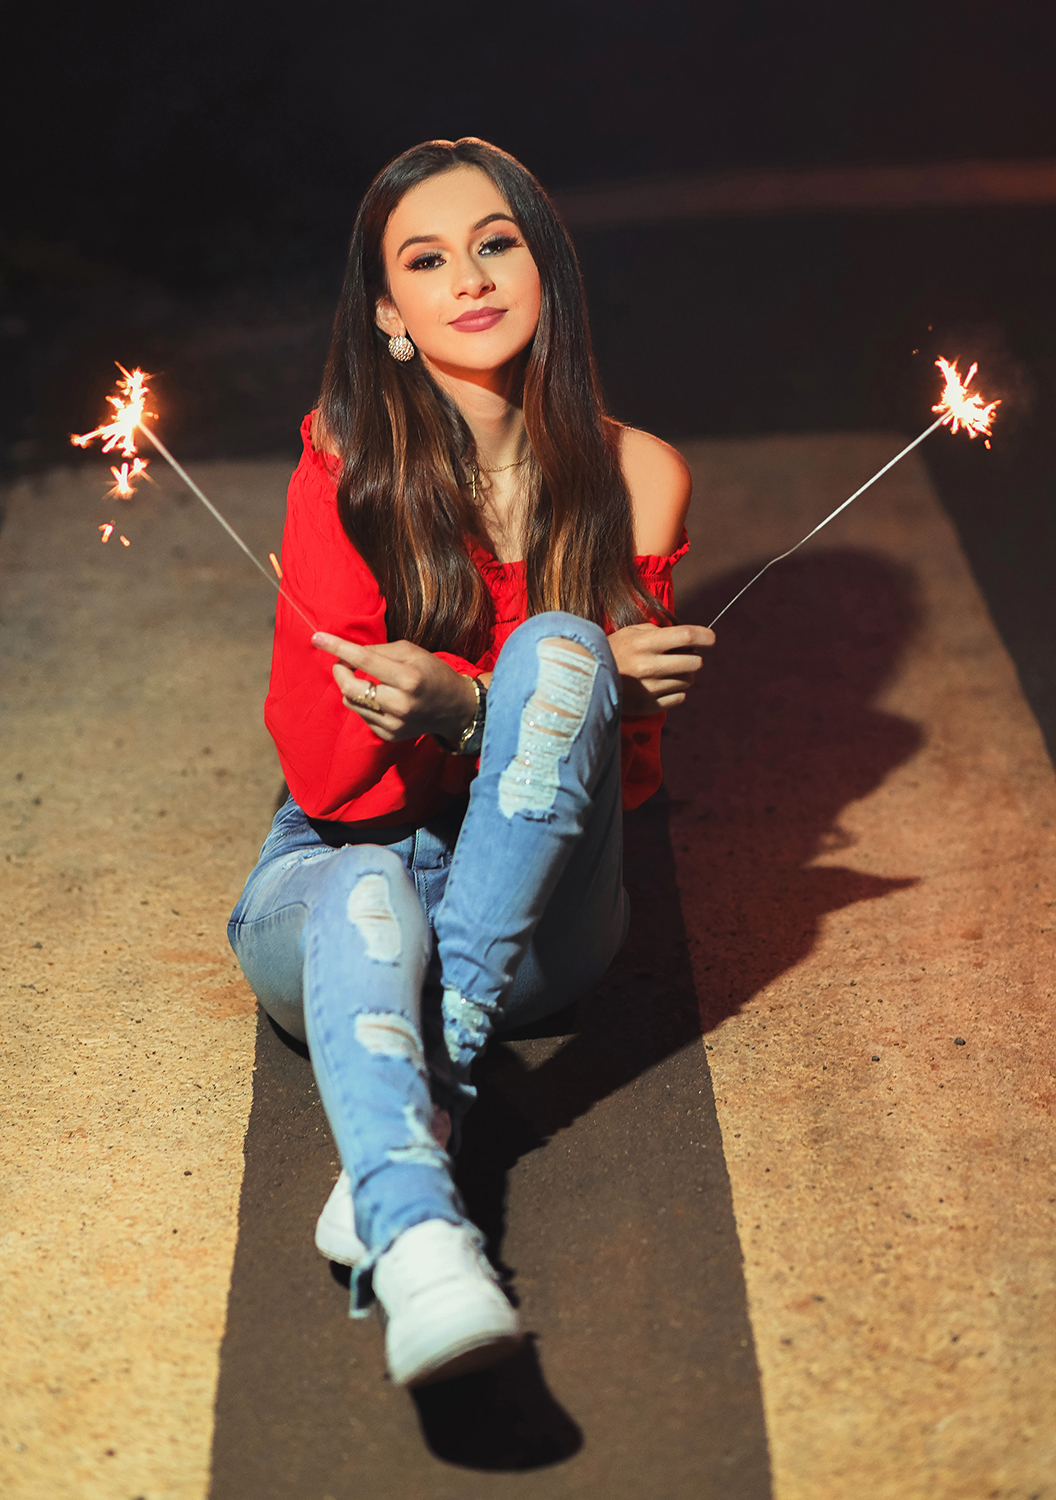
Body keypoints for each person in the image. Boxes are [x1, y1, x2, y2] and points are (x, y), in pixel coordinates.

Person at [227, 137, 714, 1389]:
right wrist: (481, 710)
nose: (472, 278)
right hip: (343, 875)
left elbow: (622, 785)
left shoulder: (639, 474)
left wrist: (522, 698)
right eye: (427, 260)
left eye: (496, 243)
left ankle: (424, 1076)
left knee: (564, 646)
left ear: (544, 265)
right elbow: (332, 783)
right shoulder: (344, 470)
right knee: (365, 888)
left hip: (540, 921)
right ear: (389, 313)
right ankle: (425, 1247)